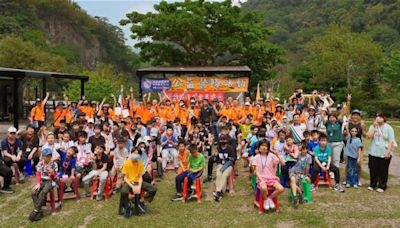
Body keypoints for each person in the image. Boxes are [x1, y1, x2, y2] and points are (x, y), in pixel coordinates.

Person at [119, 148, 157, 217]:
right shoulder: (127, 163)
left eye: (137, 154)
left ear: (140, 155)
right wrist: (133, 186)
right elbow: (125, 178)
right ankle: (128, 205)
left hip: (138, 181)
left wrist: (139, 186)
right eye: (134, 153)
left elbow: (140, 177)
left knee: (153, 189)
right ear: (131, 153)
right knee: (124, 191)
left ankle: (142, 200)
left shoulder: (140, 163)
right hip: (129, 182)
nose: (135, 155)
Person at [367, 111, 396, 192]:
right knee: (373, 168)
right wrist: (374, 126)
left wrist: (389, 152)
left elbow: (391, 141)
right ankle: (373, 184)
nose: (378, 118)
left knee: (383, 169)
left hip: (384, 151)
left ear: (384, 118)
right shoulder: (373, 127)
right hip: (373, 151)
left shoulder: (388, 128)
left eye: (380, 117)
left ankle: (382, 185)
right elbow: (369, 136)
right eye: (377, 117)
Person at [252, 139, 285, 211]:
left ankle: (269, 199)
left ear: (268, 148)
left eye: (266, 146)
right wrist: (261, 180)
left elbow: (282, 163)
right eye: (262, 146)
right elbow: (256, 171)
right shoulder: (256, 157)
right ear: (259, 147)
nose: (264, 147)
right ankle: (266, 199)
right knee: (263, 188)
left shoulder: (272, 156)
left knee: (281, 189)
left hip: (271, 178)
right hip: (261, 178)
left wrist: (278, 155)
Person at [29, 148, 58, 221]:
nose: (47, 157)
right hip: (42, 180)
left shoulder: (53, 164)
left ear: (51, 156)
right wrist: (38, 184)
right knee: (34, 192)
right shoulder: (40, 164)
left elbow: (55, 177)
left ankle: (36, 210)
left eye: (49, 156)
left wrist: (52, 174)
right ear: (43, 156)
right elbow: (38, 174)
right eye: (46, 156)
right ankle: (39, 210)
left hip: (50, 181)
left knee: (43, 192)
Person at [213, 135, 236, 202]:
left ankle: (218, 191)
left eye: (224, 139)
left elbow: (233, 159)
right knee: (218, 174)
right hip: (220, 164)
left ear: (227, 141)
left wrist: (227, 160)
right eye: (221, 139)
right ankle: (218, 191)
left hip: (229, 165)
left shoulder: (230, 148)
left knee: (224, 175)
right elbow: (216, 160)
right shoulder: (218, 148)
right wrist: (215, 155)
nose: (223, 141)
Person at [289, 143, 312, 208]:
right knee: (293, 180)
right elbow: (293, 156)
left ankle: (299, 195)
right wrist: (289, 152)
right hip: (293, 171)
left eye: (305, 149)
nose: (303, 151)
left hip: (301, 173)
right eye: (302, 149)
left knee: (293, 183)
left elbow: (307, 168)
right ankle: (298, 195)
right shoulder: (298, 155)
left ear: (307, 150)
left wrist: (306, 175)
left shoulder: (308, 157)